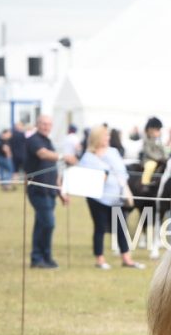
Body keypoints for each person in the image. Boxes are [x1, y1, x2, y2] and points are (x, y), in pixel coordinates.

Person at [78, 126, 143, 270]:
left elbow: (122, 172)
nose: (108, 138)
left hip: (116, 197)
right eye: (105, 136)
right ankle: (100, 259)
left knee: (121, 227)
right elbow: (86, 178)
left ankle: (127, 259)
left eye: (108, 135)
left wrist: (123, 186)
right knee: (100, 227)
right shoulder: (88, 157)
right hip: (97, 199)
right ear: (97, 138)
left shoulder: (113, 152)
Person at [25, 115, 77, 269]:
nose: (46, 127)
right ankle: (40, 257)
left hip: (50, 191)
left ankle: (42, 258)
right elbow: (43, 154)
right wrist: (64, 156)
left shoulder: (48, 141)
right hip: (38, 190)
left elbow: (53, 170)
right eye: (43, 124)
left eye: (49, 124)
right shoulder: (33, 140)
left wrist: (61, 192)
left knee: (42, 224)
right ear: (37, 124)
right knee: (48, 223)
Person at [140, 116, 167, 185]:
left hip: (160, 159)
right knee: (151, 165)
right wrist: (158, 158)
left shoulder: (158, 140)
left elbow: (162, 149)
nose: (159, 132)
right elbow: (148, 152)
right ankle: (145, 182)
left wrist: (165, 157)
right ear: (151, 130)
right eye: (157, 130)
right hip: (149, 159)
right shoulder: (146, 139)